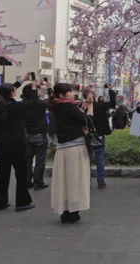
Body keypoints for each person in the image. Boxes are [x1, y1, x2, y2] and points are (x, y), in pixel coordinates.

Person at [0, 74, 38, 213]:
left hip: (1, 143)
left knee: (3, 172)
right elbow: (34, 101)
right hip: (16, 143)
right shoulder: (16, 107)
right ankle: (22, 202)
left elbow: (6, 91)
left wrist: (21, 80)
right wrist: (35, 87)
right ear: (12, 93)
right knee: (21, 172)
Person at [50, 83, 91, 223]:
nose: (73, 93)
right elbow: (84, 120)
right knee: (76, 178)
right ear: (62, 94)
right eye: (70, 91)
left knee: (64, 179)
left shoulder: (56, 107)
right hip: (76, 146)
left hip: (62, 147)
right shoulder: (69, 107)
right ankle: (74, 210)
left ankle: (65, 210)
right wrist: (84, 110)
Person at [82, 87, 116, 189]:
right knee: (100, 159)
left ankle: (86, 181)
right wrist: (110, 90)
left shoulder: (82, 107)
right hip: (99, 136)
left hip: (87, 137)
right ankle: (100, 181)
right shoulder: (99, 106)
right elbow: (112, 103)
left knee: (87, 160)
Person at [21, 84, 50, 190]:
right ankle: (38, 181)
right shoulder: (40, 104)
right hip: (40, 134)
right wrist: (48, 89)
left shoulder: (23, 105)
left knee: (28, 159)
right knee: (40, 159)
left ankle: (27, 180)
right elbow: (49, 100)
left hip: (27, 134)